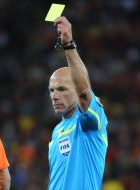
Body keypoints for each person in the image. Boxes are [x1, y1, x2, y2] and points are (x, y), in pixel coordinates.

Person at [48, 17, 108, 190]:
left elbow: (84, 93)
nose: (55, 96)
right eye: (52, 90)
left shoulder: (90, 123)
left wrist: (68, 45)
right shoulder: (57, 131)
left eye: (62, 89)